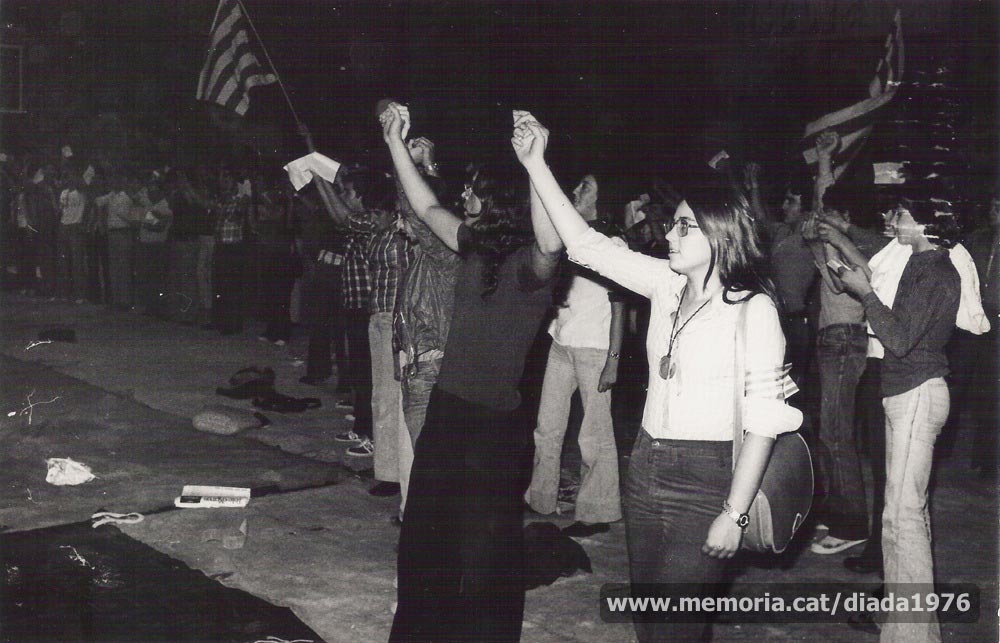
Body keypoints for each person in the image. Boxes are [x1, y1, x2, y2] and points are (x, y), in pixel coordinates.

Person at [514, 114, 801, 641]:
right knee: (650, 618)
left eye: (685, 225)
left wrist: (735, 515)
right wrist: (536, 163)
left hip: (707, 476)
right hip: (645, 465)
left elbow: (764, 422)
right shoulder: (665, 285)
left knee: (677, 626)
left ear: (720, 234)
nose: (670, 233)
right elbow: (585, 245)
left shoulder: (753, 310)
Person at [381, 103, 562, 641]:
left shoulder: (534, 268)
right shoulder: (474, 247)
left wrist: (535, 162)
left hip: (493, 429)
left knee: (484, 561)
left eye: (476, 189)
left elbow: (553, 241)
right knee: (423, 545)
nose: (465, 195)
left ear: (500, 198)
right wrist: (394, 141)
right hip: (448, 413)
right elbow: (426, 203)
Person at [837, 197, 961, 642]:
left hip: (915, 393)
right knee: (904, 516)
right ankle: (910, 629)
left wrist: (864, 293)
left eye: (902, 215)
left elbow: (900, 339)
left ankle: (908, 635)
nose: (893, 221)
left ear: (926, 223)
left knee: (902, 519)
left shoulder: (933, 269)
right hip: (907, 392)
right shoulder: (920, 265)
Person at [525, 172, 625, 536]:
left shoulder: (611, 243)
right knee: (547, 425)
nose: (577, 191)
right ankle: (541, 498)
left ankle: (597, 511)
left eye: (585, 187)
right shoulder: (572, 235)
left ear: (602, 200)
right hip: (561, 340)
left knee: (593, 433)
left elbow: (620, 304)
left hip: (595, 348)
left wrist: (614, 358)